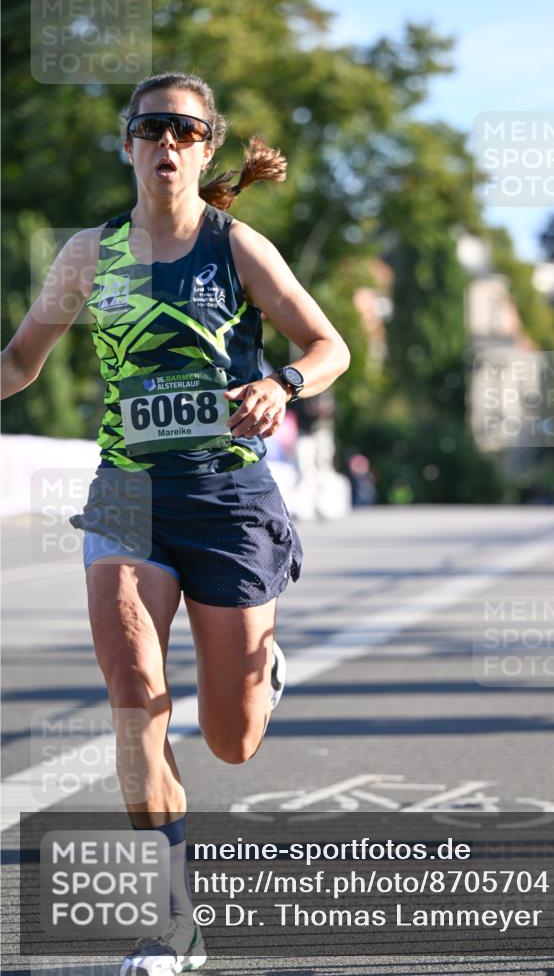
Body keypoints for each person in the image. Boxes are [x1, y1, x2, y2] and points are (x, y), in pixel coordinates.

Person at [0, 71, 350, 974]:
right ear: (128, 144)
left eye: (186, 130)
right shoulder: (87, 253)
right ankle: (175, 924)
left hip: (228, 496)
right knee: (134, 695)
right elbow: (20, 361)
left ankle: (260, 667)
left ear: (206, 147)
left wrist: (285, 384)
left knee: (231, 741)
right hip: (125, 488)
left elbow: (328, 344)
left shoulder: (238, 247)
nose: (167, 142)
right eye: (150, 127)